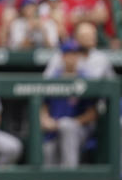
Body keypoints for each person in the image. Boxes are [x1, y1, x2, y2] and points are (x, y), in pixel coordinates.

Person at [41, 40, 97, 168]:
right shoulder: (53, 78)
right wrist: (45, 119)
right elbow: (44, 105)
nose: (72, 58)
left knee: (67, 126)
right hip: (53, 130)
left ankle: (70, 176)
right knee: (48, 157)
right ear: (62, 57)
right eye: (68, 54)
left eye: (75, 54)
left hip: (79, 130)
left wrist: (70, 122)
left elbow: (92, 113)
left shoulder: (86, 79)